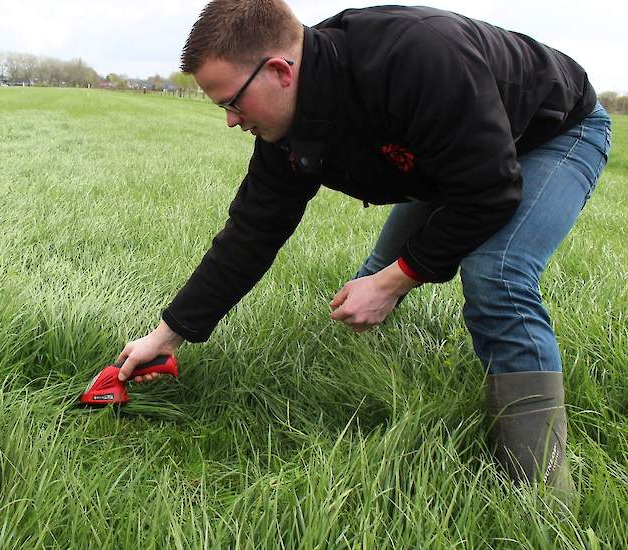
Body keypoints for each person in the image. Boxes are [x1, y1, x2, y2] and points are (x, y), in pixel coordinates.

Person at [116, 0, 611, 504]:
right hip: (456, 155)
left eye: (232, 103)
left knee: (495, 274)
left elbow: (487, 192)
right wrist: (169, 333)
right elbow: (252, 231)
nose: (230, 120)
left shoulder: (417, 56)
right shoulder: (289, 127)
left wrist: (397, 280)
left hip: (552, 132)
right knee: (375, 278)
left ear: (279, 71)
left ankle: (543, 496)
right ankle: (359, 365)